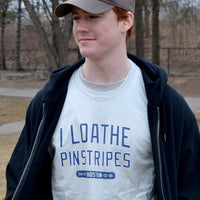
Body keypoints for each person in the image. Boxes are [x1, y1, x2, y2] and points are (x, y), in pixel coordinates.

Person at [5, 0, 200, 199]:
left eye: (93, 16)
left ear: (126, 21)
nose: (81, 27)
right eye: (76, 18)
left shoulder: (165, 105)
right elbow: (20, 182)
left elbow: (191, 187)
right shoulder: (49, 101)